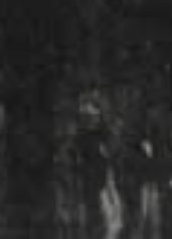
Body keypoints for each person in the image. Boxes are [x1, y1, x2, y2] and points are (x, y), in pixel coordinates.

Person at [61, 97, 124, 239]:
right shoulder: (81, 138)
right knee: (101, 221)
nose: (91, 120)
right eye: (87, 117)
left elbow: (112, 152)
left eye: (93, 116)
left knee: (115, 221)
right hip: (92, 186)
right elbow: (73, 158)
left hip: (106, 181)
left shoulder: (103, 134)